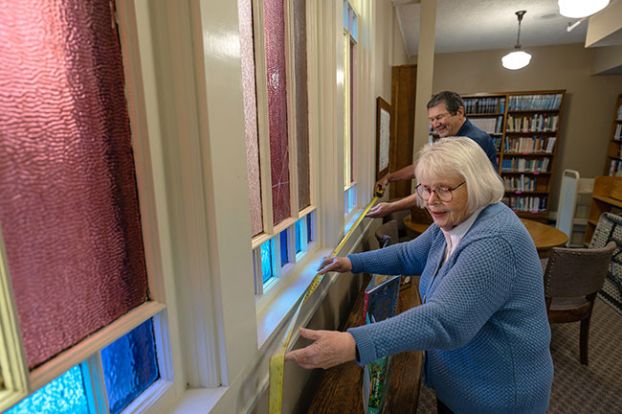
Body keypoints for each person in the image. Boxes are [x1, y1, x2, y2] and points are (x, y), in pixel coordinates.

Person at [285, 137, 553, 413]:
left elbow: (445, 321)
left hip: (498, 395)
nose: (431, 201)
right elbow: (408, 255)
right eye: (425, 189)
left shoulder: (494, 240)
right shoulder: (455, 220)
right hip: (466, 383)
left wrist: (354, 343)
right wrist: (349, 262)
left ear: (476, 185)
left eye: (444, 189)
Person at [367, 90, 498, 218]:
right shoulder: (452, 136)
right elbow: (423, 167)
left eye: (439, 117)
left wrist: (391, 207)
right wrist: (390, 178)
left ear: (459, 112)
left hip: (475, 214)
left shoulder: (473, 141)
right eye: (432, 119)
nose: (435, 125)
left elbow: (437, 187)